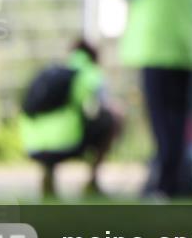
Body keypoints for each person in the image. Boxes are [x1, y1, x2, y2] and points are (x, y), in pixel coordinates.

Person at [111, 0, 192, 199]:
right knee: (179, 121)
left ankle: (165, 185)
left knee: (161, 122)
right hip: (184, 52)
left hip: (154, 53)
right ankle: (178, 182)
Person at [20, 38, 123, 198]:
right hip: (68, 143)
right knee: (111, 119)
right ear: (94, 58)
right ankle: (92, 180)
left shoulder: (51, 73)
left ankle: (48, 175)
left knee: (60, 125)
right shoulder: (89, 74)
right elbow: (99, 107)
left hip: (33, 147)